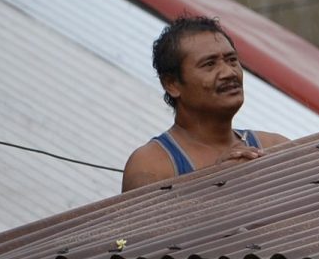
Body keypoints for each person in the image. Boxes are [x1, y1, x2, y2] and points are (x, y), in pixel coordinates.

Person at [121, 16, 288, 190]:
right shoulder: (152, 166)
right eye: (209, 64)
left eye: (232, 60)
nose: (229, 72)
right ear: (172, 84)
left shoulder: (275, 147)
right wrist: (215, 183)